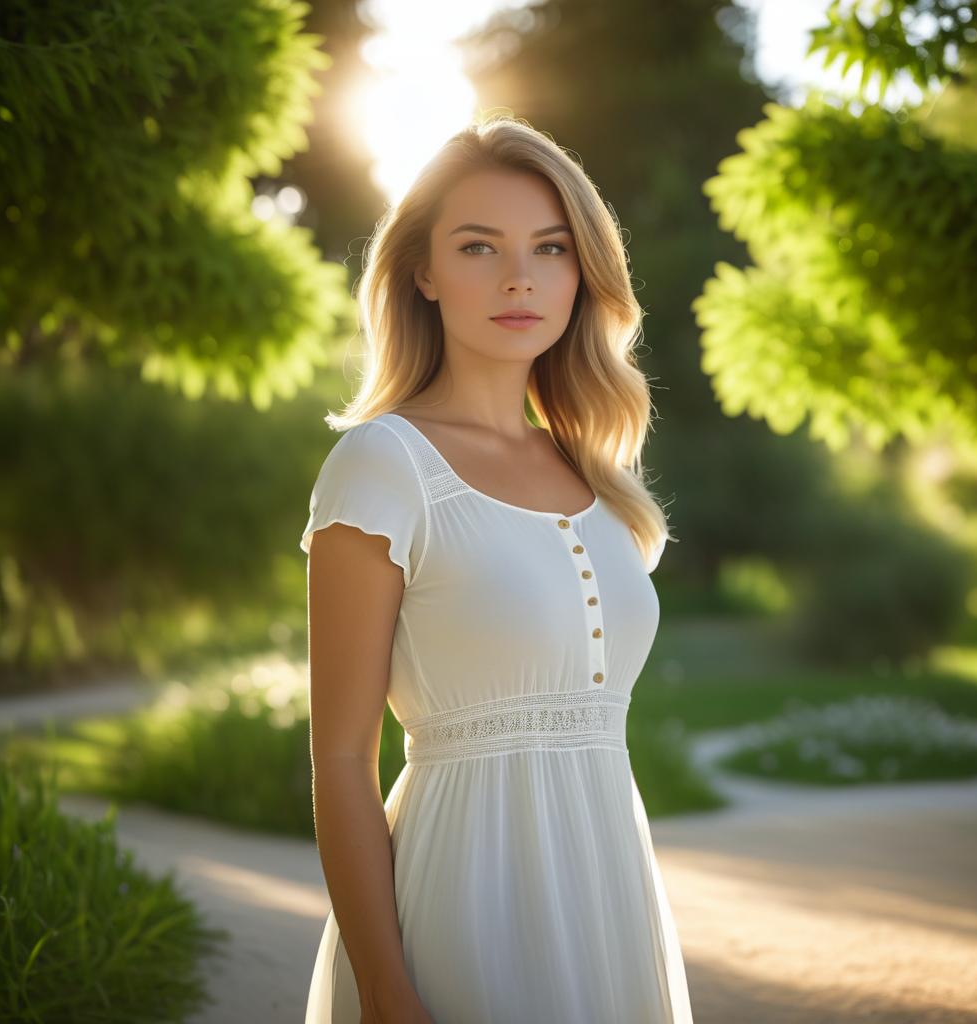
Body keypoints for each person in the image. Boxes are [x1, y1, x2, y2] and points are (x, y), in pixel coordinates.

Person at [301, 114, 693, 1024]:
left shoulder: (593, 471)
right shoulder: (383, 463)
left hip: (606, 892)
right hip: (459, 897)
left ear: (580, 273)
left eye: (550, 248)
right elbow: (341, 757)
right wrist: (387, 989)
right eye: (479, 246)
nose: (520, 276)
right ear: (424, 273)